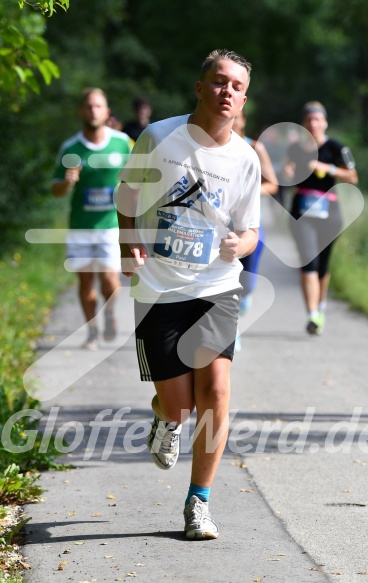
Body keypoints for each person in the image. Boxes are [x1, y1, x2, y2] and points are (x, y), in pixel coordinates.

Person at [117, 49, 261, 539]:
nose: (227, 92)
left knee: (216, 392)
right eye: (219, 82)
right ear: (201, 88)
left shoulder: (244, 158)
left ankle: (198, 502)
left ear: (244, 98)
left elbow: (251, 232)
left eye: (236, 87)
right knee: (179, 405)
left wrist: (238, 244)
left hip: (215, 288)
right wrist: (129, 242)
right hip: (159, 288)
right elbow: (128, 198)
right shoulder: (158, 136)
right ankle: (165, 419)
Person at [51, 87, 131, 350]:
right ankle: (92, 332)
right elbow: (56, 190)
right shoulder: (70, 147)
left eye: (98, 106)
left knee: (110, 280)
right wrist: (67, 182)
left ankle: (109, 315)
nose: (93, 111)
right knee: (86, 281)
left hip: (111, 225)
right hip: (81, 227)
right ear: (80, 111)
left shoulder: (122, 142)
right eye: (88, 106)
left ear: (106, 112)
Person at [284, 101, 358, 335]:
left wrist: (328, 168)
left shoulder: (336, 148)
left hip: (330, 213)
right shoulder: (294, 148)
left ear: (325, 122)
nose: (313, 124)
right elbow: (285, 173)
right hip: (301, 212)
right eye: (309, 120)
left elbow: (352, 177)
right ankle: (312, 315)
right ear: (304, 124)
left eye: (317, 119)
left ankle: (321, 306)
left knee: (323, 266)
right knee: (309, 262)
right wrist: (286, 172)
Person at [232, 109, 278, 317]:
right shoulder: (211, 147)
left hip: (249, 226)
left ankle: (245, 297)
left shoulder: (254, 147)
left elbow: (273, 184)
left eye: (236, 118)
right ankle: (229, 332)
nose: (232, 122)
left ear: (243, 121)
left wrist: (250, 192)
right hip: (220, 226)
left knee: (247, 283)